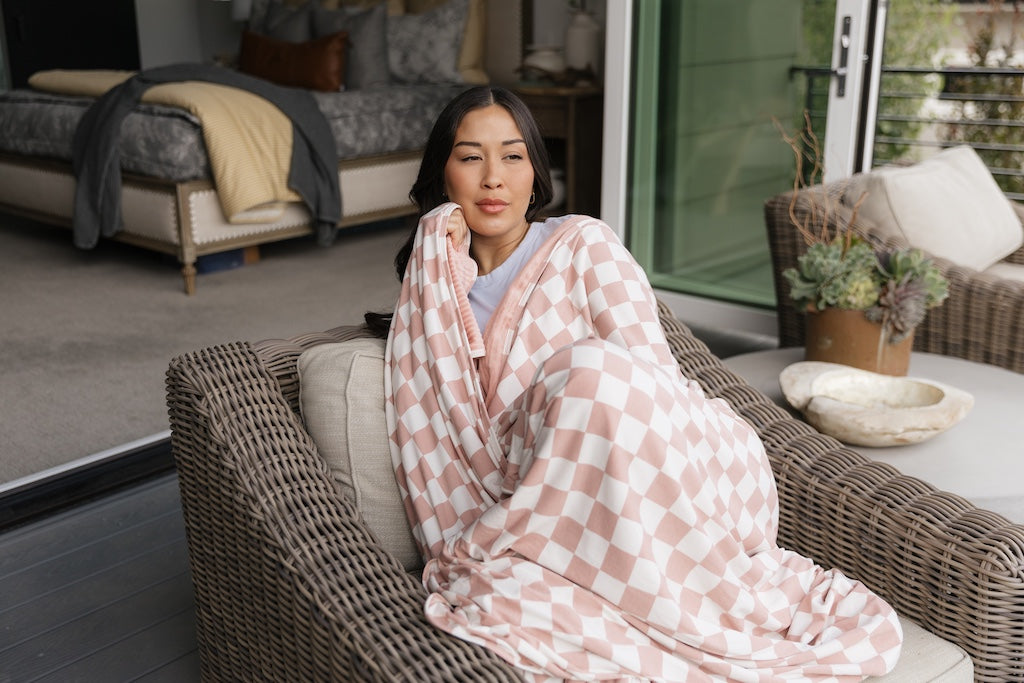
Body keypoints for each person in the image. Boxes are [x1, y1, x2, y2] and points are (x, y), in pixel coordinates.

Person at [370, 85, 902, 681]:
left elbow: (648, 382)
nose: (493, 177)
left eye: (513, 156)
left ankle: (690, 600)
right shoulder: (434, 293)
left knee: (591, 370)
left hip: (646, 462)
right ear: (443, 175)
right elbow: (442, 436)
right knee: (505, 593)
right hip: (529, 497)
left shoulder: (582, 245)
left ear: (537, 172)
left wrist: (578, 390)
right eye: (470, 157)